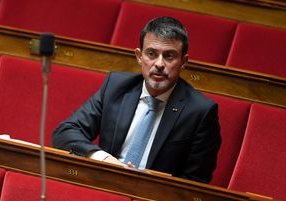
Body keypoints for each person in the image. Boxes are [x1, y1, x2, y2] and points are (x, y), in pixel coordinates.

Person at [52, 16, 221, 183]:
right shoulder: (115, 87)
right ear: (139, 56)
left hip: (153, 200)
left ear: (184, 62)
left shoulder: (200, 112)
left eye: (169, 56)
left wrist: (152, 184)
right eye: (152, 54)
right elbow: (65, 132)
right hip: (103, 184)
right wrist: (104, 160)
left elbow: (196, 182)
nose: (159, 64)